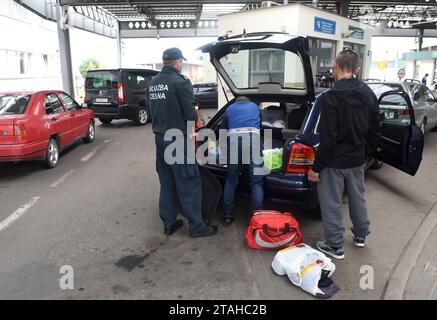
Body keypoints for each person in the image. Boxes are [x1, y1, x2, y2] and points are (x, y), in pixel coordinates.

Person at [308, 49, 381, 260]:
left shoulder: (330, 97)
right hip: (357, 159)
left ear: (334, 65)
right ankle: (360, 236)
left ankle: (335, 246)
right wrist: (364, 153)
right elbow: (376, 129)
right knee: (358, 198)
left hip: (334, 162)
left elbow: (328, 138)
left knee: (331, 203)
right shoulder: (368, 93)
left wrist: (316, 167)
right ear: (357, 69)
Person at [149, 47, 218, 238]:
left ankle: (169, 223)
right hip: (178, 139)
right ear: (178, 62)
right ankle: (197, 227)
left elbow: (151, 112)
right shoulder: (181, 82)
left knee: (167, 182)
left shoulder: (153, 83)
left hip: (160, 138)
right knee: (189, 181)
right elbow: (190, 114)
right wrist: (192, 133)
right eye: (181, 62)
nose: (181, 64)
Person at [222, 96, 264, 226]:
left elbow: (224, 129)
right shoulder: (256, 107)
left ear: (236, 102)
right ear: (248, 100)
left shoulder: (229, 109)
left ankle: (228, 215)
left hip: (234, 142)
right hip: (253, 141)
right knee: (256, 183)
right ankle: (256, 217)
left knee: (231, 180)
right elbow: (260, 126)